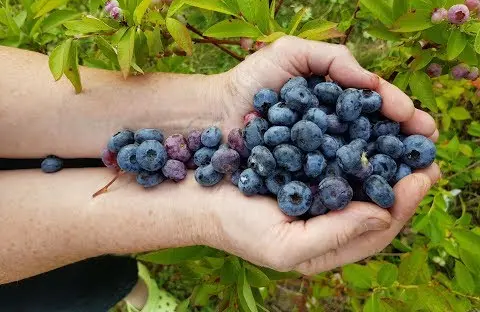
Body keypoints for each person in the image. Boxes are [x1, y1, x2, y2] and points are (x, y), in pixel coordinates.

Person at [0, 37, 440, 310]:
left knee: (80, 280)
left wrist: (209, 103)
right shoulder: (293, 145)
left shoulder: (296, 138)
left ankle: (121, 288)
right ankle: (120, 293)